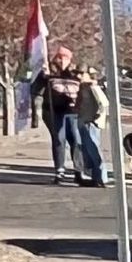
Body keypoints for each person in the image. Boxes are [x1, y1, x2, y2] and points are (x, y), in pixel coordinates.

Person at [33, 47, 88, 185]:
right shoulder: (49, 72)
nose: (62, 60)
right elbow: (35, 90)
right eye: (60, 57)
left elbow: (87, 87)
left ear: (70, 59)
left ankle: (78, 171)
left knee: (76, 140)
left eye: (65, 58)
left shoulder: (76, 73)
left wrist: (85, 79)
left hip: (73, 113)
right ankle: (59, 171)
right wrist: (43, 77)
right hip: (54, 112)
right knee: (59, 139)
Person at [73, 65, 111, 186]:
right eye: (77, 73)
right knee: (86, 151)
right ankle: (94, 177)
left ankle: (101, 177)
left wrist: (96, 118)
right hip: (83, 122)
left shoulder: (93, 87)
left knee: (94, 150)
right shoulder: (82, 87)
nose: (78, 76)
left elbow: (104, 104)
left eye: (81, 73)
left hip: (90, 123)